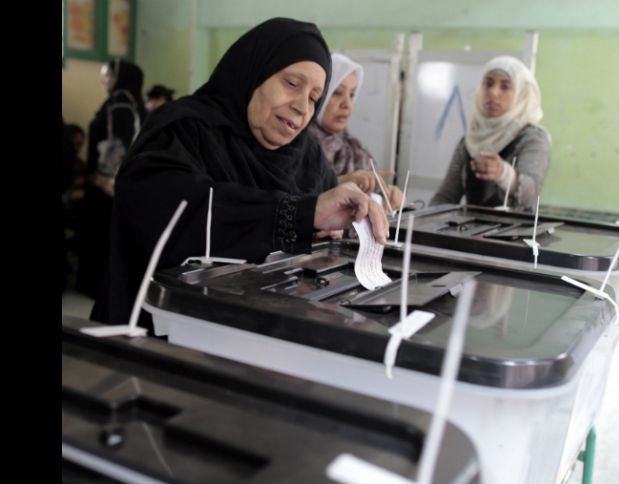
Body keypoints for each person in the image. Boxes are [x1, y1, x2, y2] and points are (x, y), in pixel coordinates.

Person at [91, 18, 389, 327]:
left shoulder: (308, 158)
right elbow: (169, 213)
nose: (302, 107)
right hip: (164, 336)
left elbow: (321, 239)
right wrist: (298, 215)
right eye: (291, 84)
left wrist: (338, 228)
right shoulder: (183, 129)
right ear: (253, 71)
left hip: (264, 336)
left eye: (314, 97)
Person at [430, 55, 550, 211]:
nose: (493, 93)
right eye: (488, 84)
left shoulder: (533, 138)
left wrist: (503, 173)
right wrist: (416, 221)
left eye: (505, 86)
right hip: (470, 234)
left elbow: (531, 195)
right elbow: (446, 196)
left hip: (516, 233)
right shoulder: (471, 140)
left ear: (522, 94)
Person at [75, 59, 146, 299]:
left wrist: (105, 178)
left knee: (101, 237)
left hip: (107, 187)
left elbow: (118, 143)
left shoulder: (120, 103)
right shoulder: (132, 103)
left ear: (119, 77)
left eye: (107, 75)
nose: (103, 79)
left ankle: (98, 288)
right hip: (121, 184)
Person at [308, 53, 403, 212]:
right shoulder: (293, 146)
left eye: (352, 95)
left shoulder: (356, 151)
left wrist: (391, 198)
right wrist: (341, 183)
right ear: (317, 94)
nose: (347, 104)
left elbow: (378, 199)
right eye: (337, 93)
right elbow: (291, 201)